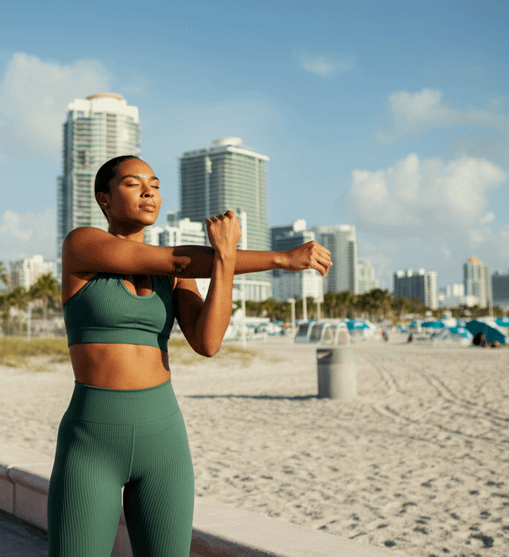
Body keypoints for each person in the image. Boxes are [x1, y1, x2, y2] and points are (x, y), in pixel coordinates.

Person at [48, 155, 332, 556]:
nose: (149, 191)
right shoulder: (82, 245)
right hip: (92, 438)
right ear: (104, 199)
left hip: (163, 437)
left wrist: (227, 259)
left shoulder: (177, 274)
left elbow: (208, 341)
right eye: (133, 183)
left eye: (156, 184)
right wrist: (282, 259)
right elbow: (177, 257)